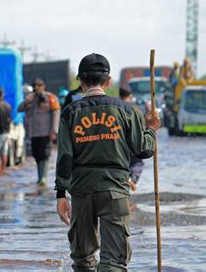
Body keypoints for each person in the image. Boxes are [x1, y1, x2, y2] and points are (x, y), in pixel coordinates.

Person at [55, 53, 161, 271]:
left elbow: (65, 157)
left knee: (82, 258)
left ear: (80, 81)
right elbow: (144, 150)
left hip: (81, 190)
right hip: (115, 190)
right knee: (114, 260)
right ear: (108, 81)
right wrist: (151, 128)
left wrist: (60, 195)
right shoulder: (126, 110)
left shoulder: (69, 113)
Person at [18, 78, 60, 185]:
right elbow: (19, 109)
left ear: (43, 86)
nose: (37, 88)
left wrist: (53, 131)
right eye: (35, 86)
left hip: (46, 133)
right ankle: (39, 177)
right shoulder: (31, 99)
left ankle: (43, 178)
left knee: (45, 155)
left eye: (39, 85)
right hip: (34, 133)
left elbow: (56, 114)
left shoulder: (51, 98)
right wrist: (26, 101)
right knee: (36, 156)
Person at [119, 86, 145, 192]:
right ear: (130, 96)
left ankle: (124, 181)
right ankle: (132, 180)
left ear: (119, 96)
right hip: (133, 143)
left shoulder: (115, 108)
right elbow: (141, 129)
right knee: (137, 163)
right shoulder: (136, 110)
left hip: (118, 143)